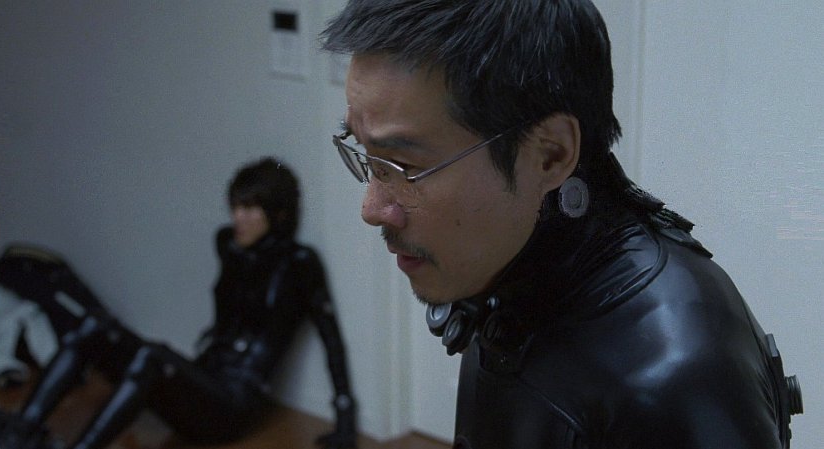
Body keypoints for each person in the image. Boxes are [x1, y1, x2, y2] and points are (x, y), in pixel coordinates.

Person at [321, 1, 803, 448]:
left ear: (550, 154)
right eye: (364, 154)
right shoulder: (513, 263)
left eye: (403, 167)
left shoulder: (674, 378)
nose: (372, 208)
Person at [0, 157, 357, 449]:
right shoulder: (228, 245)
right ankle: (21, 432)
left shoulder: (299, 264)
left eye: (249, 209)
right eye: (235, 206)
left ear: (278, 214)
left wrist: (345, 417)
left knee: (152, 356)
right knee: (93, 325)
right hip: (204, 380)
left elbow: (331, 336)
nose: (237, 218)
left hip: (232, 407)